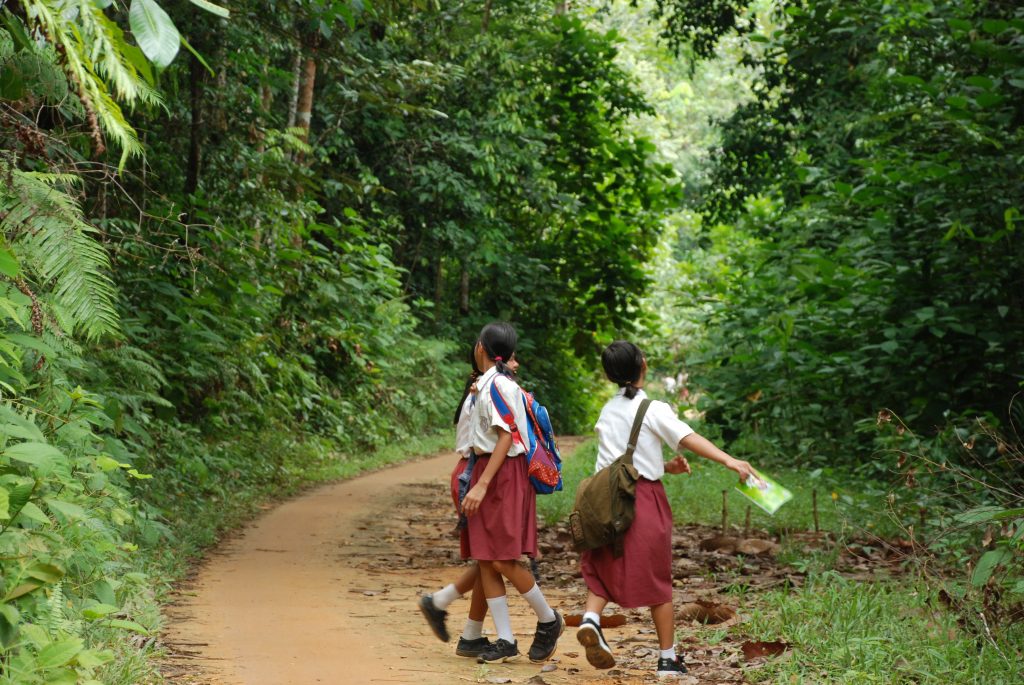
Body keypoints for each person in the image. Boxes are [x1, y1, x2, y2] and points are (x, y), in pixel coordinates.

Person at [575, 341, 755, 678]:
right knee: (658, 580)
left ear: (609, 374)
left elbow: (623, 459)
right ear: (643, 364)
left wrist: (664, 466)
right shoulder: (653, 408)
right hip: (641, 500)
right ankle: (667, 659)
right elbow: (687, 437)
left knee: (601, 568)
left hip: (602, 498)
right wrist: (730, 460)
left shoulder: (608, 409)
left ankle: (590, 619)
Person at [460, 322, 564, 664]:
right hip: (493, 469)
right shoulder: (488, 384)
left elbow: (507, 436)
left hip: (502, 473)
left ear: (481, 348)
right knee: (487, 557)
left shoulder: (498, 386)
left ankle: (549, 619)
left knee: (503, 558)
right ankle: (505, 638)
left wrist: (482, 483)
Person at [418, 347, 491, 657]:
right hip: (473, 475)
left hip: (470, 473)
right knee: (495, 559)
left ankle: (469, 632)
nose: (516, 363)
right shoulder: (487, 392)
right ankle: (441, 603)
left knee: (492, 561)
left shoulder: (482, 388)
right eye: (512, 356)